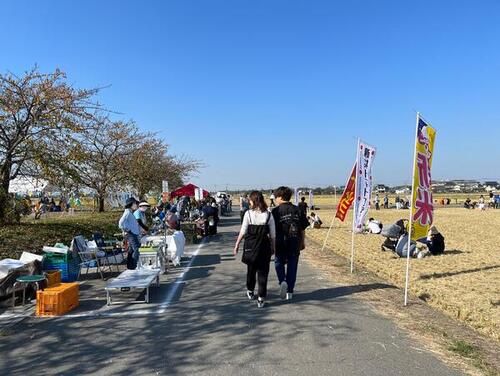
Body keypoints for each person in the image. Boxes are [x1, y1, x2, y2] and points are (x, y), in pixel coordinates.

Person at [233, 191, 276, 308]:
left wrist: (237, 244)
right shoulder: (268, 215)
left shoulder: (248, 214)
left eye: (250, 200)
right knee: (263, 273)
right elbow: (273, 235)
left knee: (251, 271)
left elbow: (243, 231)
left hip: (250, 248)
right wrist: (273, 247)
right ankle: (261, 298)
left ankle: (250, 290)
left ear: (254, 201)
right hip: (264, 247)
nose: (249, 202)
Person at [272, 186, 309, 301]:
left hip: (280, 241)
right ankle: (290, 292)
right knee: (292, 266)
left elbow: (271, 230)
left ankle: (282, 280)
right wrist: (302, 242)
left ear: (280, 197)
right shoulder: (298, 209)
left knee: (278, 262)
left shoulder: (275, 211)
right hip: (294, 241)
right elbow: (302, 228)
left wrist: (270, 244)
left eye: (275, 197)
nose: (274, 200)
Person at [118, 197, 141, 270]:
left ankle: (130, 266)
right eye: (135, 203)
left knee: (131, 250)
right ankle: (134, 265)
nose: (136, 205)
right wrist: (126, 229)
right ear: (131, 204)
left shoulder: (130, 212)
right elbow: (120, 223)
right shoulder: (127, 212)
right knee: (136, 249)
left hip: (132, 233)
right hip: (131, 234)